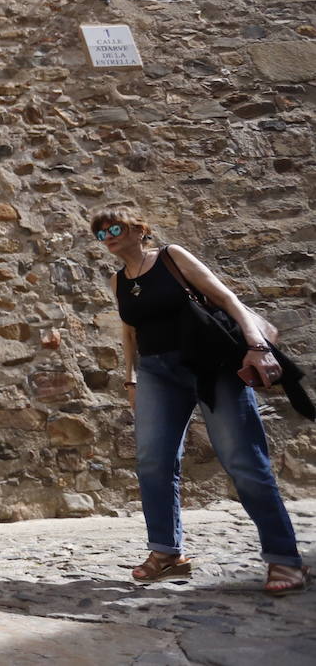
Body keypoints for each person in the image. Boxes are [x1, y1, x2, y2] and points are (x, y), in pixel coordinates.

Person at [92, 209, 309, 595]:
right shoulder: (118, 281)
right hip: (157, 372)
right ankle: (167, 554)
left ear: (139, 230)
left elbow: (226, 298)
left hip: (212, 366)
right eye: (100, 233)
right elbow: (130, 333)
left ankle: (284, 559)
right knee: (153, 461)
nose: (107, 235)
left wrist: (257, 346)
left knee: (243, 461)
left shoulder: (172, 257)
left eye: (114, 228)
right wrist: (131, 379)